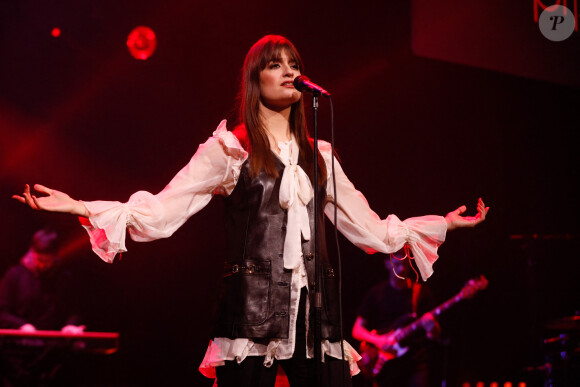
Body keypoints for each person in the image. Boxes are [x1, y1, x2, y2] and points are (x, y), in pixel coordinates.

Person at [12, 35, 489, 387]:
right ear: (254, 78)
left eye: (293, 64)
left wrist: (441, 223)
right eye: (275, 64)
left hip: (315, 314)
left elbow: (369, 229)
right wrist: (78, 204)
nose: (288, 71)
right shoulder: (230, 150)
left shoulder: (319, 154)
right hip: (251, 313)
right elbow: (161, 212)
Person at [0, 228, 84, 386]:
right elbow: (1, 311)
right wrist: (21, 325)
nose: (42, 265)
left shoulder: (65, 278)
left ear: (55, 257)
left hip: (51, 352)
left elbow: (75, 311)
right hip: (17, 352)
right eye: (38, 259)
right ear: (32, 252)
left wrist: (70, 326)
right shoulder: (15, 275)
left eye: (47, 261)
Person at [352, 252, 442, 387]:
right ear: (387, 264)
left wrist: (432, 327)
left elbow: (435, 334)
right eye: (397, 265)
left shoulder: (421, 293)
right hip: (387, 366)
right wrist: (380, 341)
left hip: (416, 364)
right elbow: (357, 330)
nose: (402, 269)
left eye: (405, 264)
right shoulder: (376, 293)